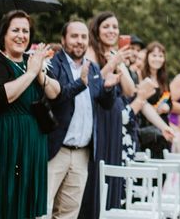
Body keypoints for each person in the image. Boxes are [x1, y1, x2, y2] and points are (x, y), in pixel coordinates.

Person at [0, 10, 61, 218]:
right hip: (5, 143)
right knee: (4, 201)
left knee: (24, 205)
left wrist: (39, 72)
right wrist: (31, 73)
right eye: (15, 30)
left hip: (31, 144)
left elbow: (55, 91)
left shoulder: (31, 61)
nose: (21, 35)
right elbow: (3, 96)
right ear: (4, 34)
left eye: (25, 31)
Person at [47, 20, 118, 219]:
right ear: (63, 40)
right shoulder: (53, 65)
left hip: (82, 153)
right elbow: (56, 99)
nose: (79, 41)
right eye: (74, 36)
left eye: (83, 37)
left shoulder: (93, 68)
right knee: (42, 210)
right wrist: (80, 83)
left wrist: (108, 88)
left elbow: (105, 104)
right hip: (56, 149)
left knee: (68, 213)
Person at [80, 11, 136, 219]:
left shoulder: (115, 54)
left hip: (114, 120)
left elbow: (130, 90)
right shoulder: (90, 52)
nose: (111, 30)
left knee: (113, 169)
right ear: (97, 29)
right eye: (106, 26)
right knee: (97, 171)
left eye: (115, 27)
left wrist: (119, 62)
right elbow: (92, 83)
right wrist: (112, 64)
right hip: (98, 115)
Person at [138, 41, 172, 157]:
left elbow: (169, 101)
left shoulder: (164, 79)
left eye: (160, 56)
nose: (157, 59)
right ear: (147, 57)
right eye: (154, 55)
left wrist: (167, 107)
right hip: (147, 127)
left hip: (163, 125)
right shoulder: (141, 76)